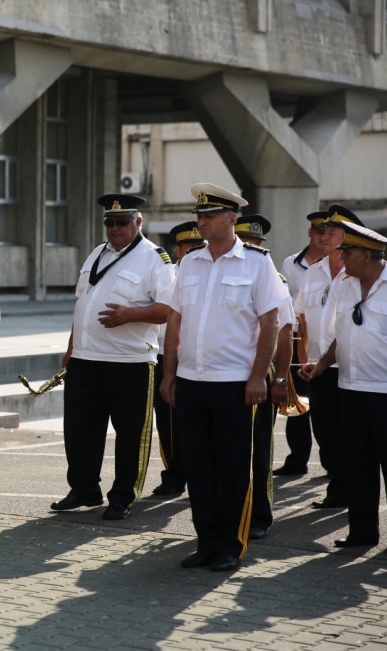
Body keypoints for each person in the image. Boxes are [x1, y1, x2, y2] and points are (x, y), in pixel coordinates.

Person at [160, 183, 289, 573]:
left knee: (233, 467)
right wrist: (169, 374)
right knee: (198, 466)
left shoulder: (257, 263)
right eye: (199, 216)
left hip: (235, 382)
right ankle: (206, 541)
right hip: (192, 380)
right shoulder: (189, 263)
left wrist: (257, 377)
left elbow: (270, 324)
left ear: (232, 219)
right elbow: (175, 321)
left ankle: (231, 545)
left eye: (209, 216)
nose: (201, 222)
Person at [50, 194, 174, 520]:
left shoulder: (154, 258)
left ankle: (123, 495)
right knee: (80, 430)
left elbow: (169, 310)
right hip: (86, 359)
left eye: (122, 222)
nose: (114, 228)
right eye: (109, 222)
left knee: (131, 433)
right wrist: (71, 348)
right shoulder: (97, 253)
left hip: (129, 361)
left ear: (138, 223)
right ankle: (84, 488)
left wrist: (131, 314)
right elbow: (83, 306)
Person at [300, 220, 387, 555]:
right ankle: (362, 532)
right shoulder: (345, 286)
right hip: (350, 386)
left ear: (367, 254)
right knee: (357, 463)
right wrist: (321, 364)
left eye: (347, 252)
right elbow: (341, 333)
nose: (341, 257)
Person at [294, 205, 363, 510]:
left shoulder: (362, 273)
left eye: (334, 230)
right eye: (324, 230)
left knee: (353, 432)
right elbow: (302, 321)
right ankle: (338, 486)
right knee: (325, 430)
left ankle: (355, 490)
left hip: (351, 366)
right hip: (319, 366)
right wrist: (301, 361)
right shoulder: (313, 271)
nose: (326, 234)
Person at [234, 214, 295, 540]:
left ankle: (260, 513)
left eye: (257, 243)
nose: (252, 247)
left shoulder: (275, 279)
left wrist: (282, 379)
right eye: (247, 241)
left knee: (257, 448)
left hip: (261, 370)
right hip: (226, 371)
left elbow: (284, 334)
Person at [273, 209, 332, 476]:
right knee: (297, 405)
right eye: (318, 231)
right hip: (297, 343)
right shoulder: (290, 264)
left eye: (327, 232)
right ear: (310, 232)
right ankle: (297, 460)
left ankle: (333, 465)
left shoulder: (338, 265)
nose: (322, 237)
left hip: (325, 344)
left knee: (326, 410)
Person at [150, 221, 205, 496]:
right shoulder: (167, 273)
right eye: (189, 247)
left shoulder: (208, 274)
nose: (194, 252)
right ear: (179, 250)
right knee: (168, 422)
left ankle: (199, 474)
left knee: (198, 422)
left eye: (199, 247)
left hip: (197, 359)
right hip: (164, 355)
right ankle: (173, 475)